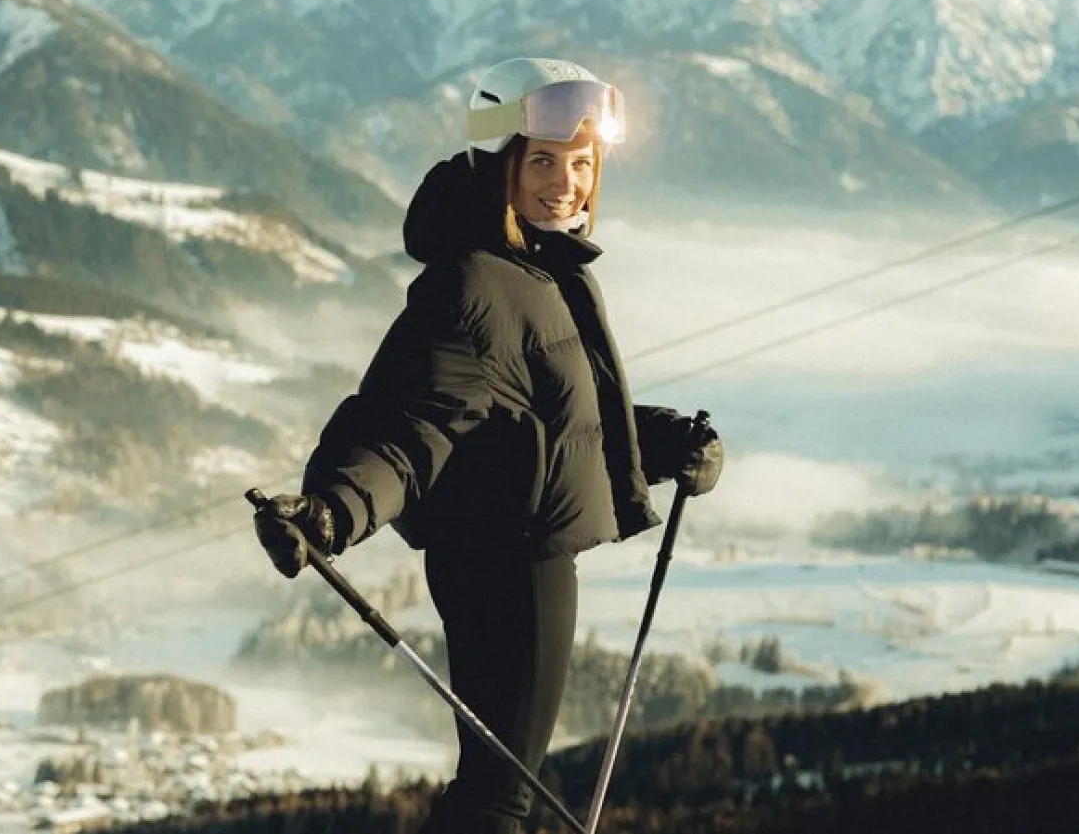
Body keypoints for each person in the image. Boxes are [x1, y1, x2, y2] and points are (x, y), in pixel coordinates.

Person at [252, 57, 725, 834]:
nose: (564, 182)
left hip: (511, 554)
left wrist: (672, 442)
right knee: (499, 799)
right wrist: (330, 511)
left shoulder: (533, 265)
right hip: (510, 566)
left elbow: (548, 413)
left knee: (494, 790)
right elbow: (413, 428)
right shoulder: (475, 281)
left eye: (581, 163)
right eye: (541, 161)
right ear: (496, 162)